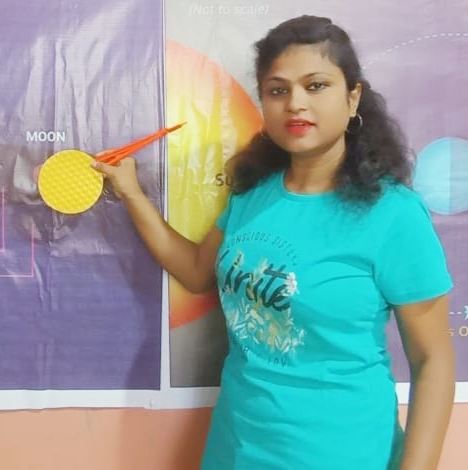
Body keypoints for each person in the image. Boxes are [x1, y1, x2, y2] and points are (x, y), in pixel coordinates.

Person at [92, 15, 455, 470]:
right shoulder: (253, 193)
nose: (295, 103)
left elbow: (433, 361)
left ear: (352, 97)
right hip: (237, 450)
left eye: (316, 86)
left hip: (343, 453)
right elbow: (197, 271)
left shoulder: (393, 214)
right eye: (278, 90)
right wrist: (130, 193)